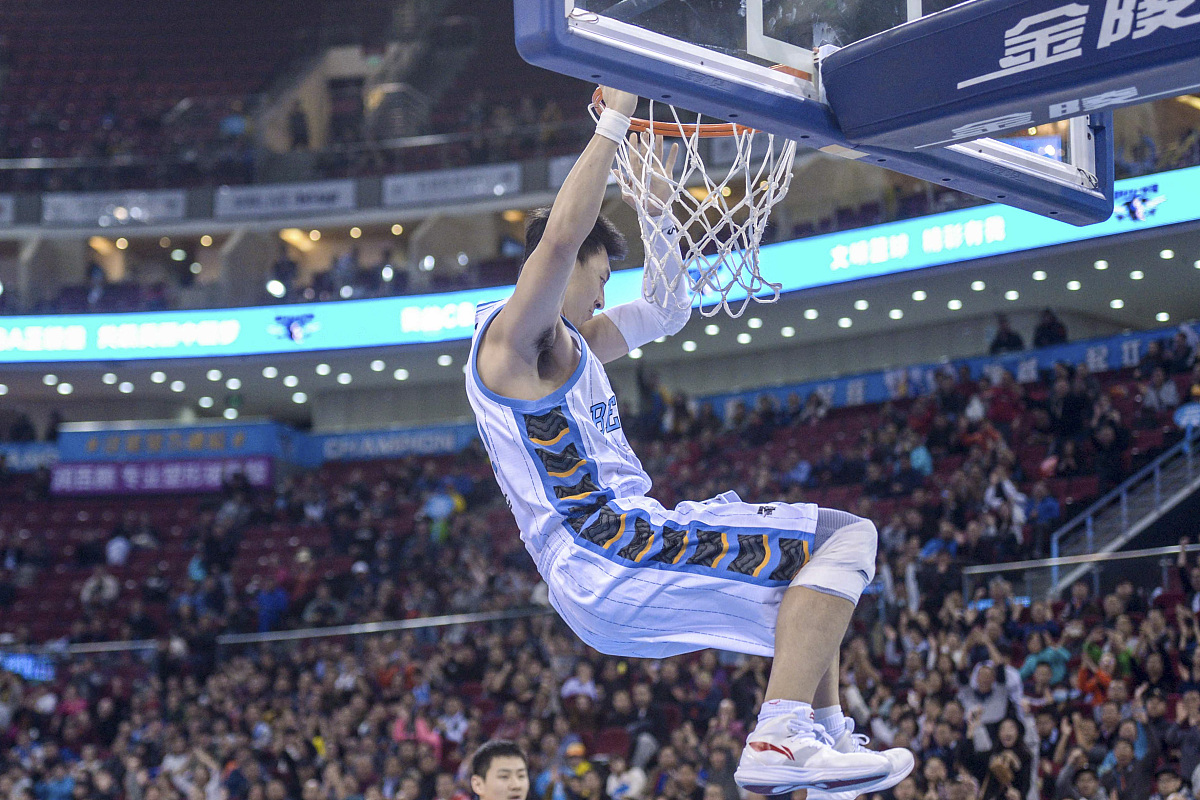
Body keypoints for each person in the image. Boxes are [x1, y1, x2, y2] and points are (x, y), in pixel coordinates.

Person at [464, 86, 911, 798]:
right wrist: (615, 124)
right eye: (601, 279)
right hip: (608, 545)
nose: (606, 299)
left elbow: (670, 309)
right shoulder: (515, 346)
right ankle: (778, 738)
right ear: (567, 270)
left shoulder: (572, 346)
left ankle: (822, 733)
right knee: (843, 538)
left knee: (812, 601)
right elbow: (557, 239)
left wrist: (653, 196)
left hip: (602, 573)